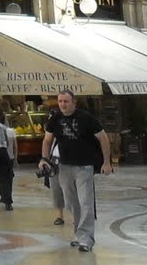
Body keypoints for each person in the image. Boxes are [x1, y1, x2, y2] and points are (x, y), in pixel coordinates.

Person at [41, 88, 112, 251]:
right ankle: (79, 234)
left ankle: (86, 239)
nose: (62, 105)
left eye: (66, 101)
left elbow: (103, 138)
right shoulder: (55, 119)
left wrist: (106, 162)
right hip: (64, 167)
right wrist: (44, 159)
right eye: (60, 101)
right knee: (71, 203)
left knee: (86, 201)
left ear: (74, 102)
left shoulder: (86, 118)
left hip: (84, 166)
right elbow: (46, 140)